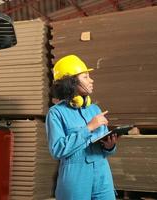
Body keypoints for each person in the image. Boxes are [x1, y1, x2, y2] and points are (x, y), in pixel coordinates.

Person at [45, 55, 118, 200]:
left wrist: (109, 146)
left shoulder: (95, 109)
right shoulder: (56, 113)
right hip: (75, 176)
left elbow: (105, 149)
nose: (91, 80)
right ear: (71, 83)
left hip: (102, 174)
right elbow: (57, 150)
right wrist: (89, 128)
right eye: (85, 77)